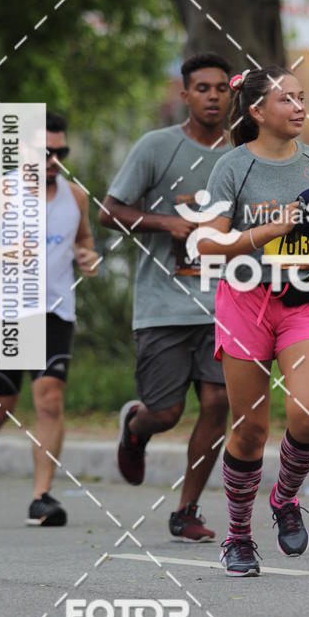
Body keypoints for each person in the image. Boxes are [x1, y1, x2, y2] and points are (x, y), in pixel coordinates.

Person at [197, 66, 309, 576]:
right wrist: (273, 228)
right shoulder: (233, 167)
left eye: (303, 98)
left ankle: (285, 497)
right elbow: (209, 243)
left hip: (304, 301)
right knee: (250, 429)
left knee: (308, 415)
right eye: (287, 100)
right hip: (244, 299)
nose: (300, 107)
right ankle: (238, 536)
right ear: (258, 111)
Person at [100, 52, 232, 542]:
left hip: (222, 303)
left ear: (231, 95)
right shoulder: (156, 148)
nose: (213, 96)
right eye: (203, 88)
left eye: (221, 88)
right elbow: (108, 212)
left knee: (218, 402)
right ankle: (137, 426)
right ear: (186, 96)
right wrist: (167, 223)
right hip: (162, 305)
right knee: (168, 412)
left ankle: (187, 510)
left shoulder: (242, 155)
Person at [0, 111, 99, 525]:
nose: (54, 160)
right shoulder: (2, 192)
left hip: (55, 312)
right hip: (8, 312)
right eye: (46, 152)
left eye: (61, 152)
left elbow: (84, 241)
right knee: (0, 405)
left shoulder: (76, 196)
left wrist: (88, 257)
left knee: (49, 400)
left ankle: (41, 497)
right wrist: (3, 254)